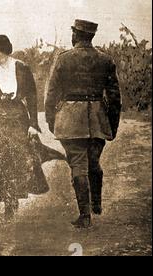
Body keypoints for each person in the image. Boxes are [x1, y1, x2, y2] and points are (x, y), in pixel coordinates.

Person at [45, 19, 121, 228]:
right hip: (98, 118)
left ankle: (85, 215)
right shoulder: (106, 60)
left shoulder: (63, 59)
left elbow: (51, 94)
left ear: (76, 35)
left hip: (70, 120)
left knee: (78, 165)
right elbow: (115, 97)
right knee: (93, 162)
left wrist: (51, 120)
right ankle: (96, 203)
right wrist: (112, 125)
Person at [0, 34, 42, 220]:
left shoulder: (21, 68)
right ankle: (8, 204)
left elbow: (32, 97)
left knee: (17, 162)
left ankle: (12, 202)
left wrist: (33, 124)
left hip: (18, 121)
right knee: (0, 162)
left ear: (2, 50)